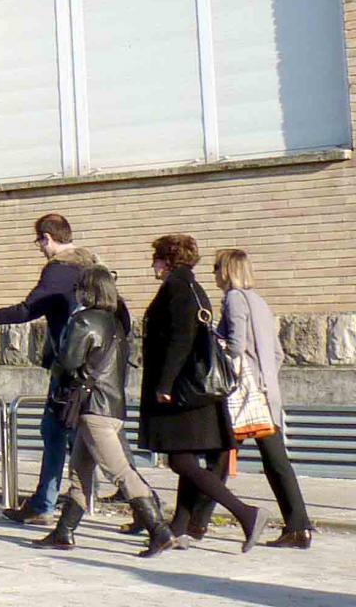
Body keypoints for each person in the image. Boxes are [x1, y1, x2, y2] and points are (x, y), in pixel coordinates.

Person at [29, 265, 172, 554]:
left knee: (119, 472)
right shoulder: (116, 323)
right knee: (79, 472)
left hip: (93, 408)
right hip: (110, 406)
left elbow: (68, 363)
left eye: (79, 288)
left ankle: (159, 530)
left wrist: (53, 360)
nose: (76, 293)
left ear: (87, 290)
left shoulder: (85, 320)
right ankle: (64, 531)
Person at [0, 212, 96, 525]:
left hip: (69, 366)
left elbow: (28, 310)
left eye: (39, 241)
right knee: (89, 435)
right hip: (94, 364)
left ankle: (46, 505)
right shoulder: (91, 266)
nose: (39, 248)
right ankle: (56, 502)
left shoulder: (60, 269)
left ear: (47, 238)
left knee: (59, 432)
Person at [140, 233, 265, 552]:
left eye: (156, 259)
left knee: (181, 461)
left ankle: (247, 513)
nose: (153, 266)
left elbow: (181, 339)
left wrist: (165, 384)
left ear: (167, 261)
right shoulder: (192, 287)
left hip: (184, 391)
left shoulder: (178, 288)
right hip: (194, 389)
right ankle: (178, 528)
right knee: (185, 459)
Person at [190, 248, 314, 548]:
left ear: (226, 270)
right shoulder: (259, 301)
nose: (213, 273)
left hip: (245, 397)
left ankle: (196, 524)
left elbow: (234, 346)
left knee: (220, 456)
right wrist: (264, 378)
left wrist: (213, 342)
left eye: (216, 267)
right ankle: (298, 526)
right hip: (266, 394)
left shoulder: (233, 299)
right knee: (275, 461)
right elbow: (277, 353)